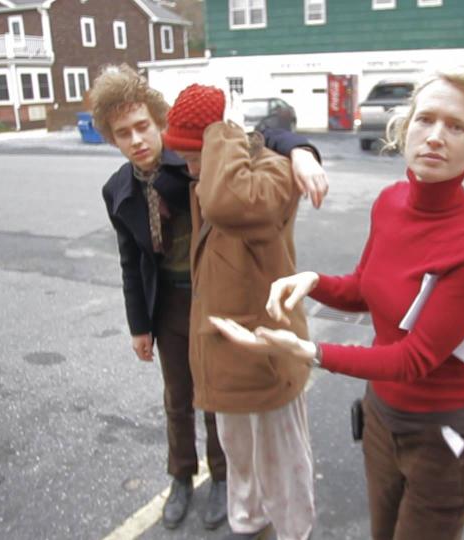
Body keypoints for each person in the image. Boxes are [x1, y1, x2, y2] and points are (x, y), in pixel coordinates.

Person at [212, 71, 464, 540]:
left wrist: (310, 353)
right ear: (404, 127)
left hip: (443, 432)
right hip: (381, 415)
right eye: (425, 119)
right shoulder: (390, 202)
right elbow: (363, 288)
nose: (435, 136)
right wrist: (310, 281)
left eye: (455, 126)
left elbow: (415, 358)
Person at [92, 65, 327, 531]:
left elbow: (259, 138)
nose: (138, 140)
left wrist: (300, 149)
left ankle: (222, 480)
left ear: (161, 124)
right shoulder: (119, 189)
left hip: (213, 299)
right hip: (168, 304)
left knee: (219, 399)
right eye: (124, 133)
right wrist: (139, 324)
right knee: (179, 398)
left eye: (144, 127)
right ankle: (181, 477)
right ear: (112, 139)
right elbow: (131, 264)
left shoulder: (194, 163)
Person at [161, 83, 315, 540]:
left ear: (217, 140)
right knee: (242, 474)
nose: (186, 166)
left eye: (194, 153)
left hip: (267, 359)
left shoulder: (270, 175)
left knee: (284, 474)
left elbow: (227, 204)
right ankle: (250, 530)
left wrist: (219, 135)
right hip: (226, 361)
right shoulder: (210, 173)